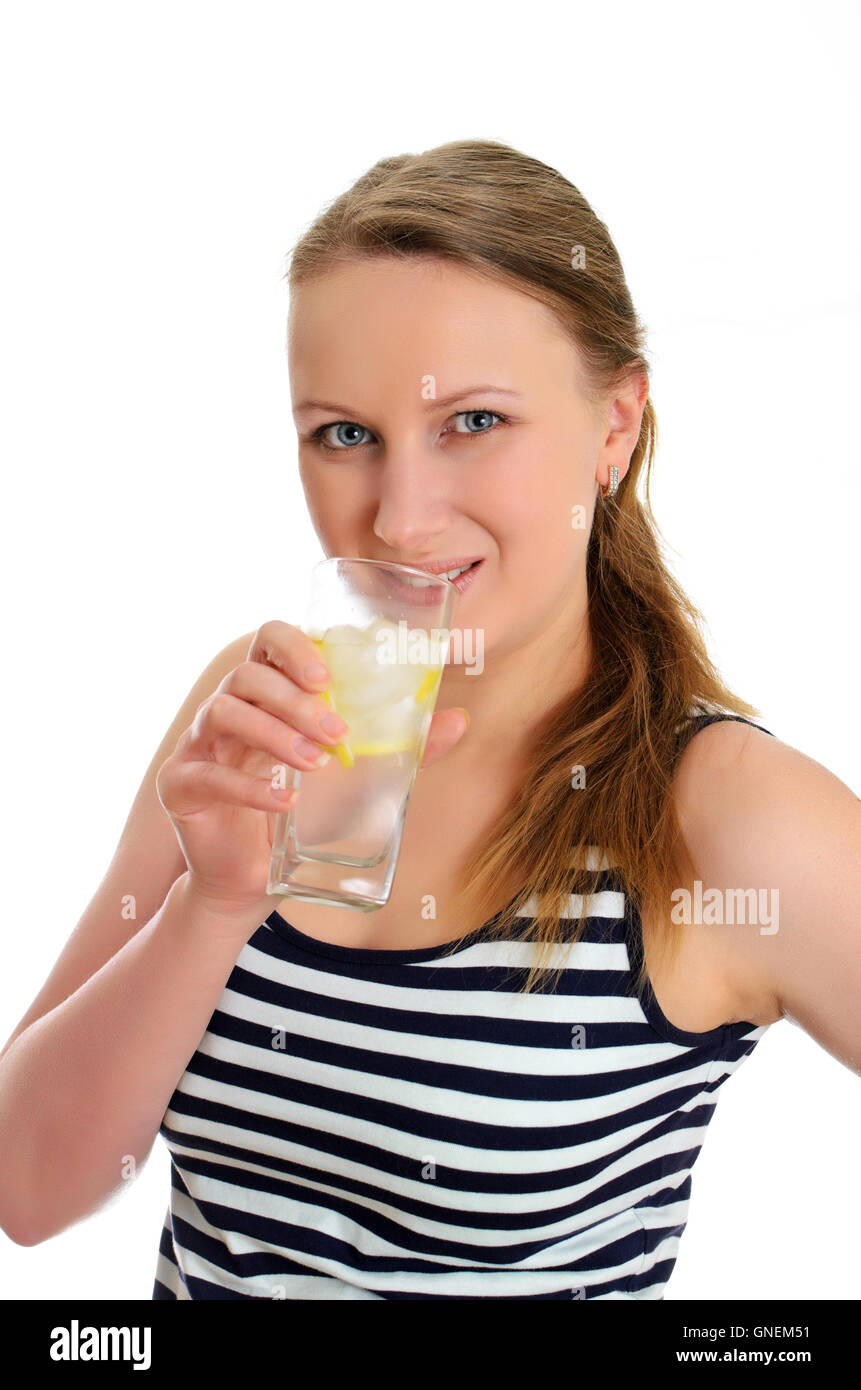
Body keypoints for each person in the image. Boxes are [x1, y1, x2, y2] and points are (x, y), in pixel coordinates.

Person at [0, 139, 857, 1300]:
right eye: (345, 434)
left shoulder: (727, 815)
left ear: (615, 426)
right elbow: (30, 1186)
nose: (399, 520)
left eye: (474, 422)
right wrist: (212, 907)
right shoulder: (265, 706)